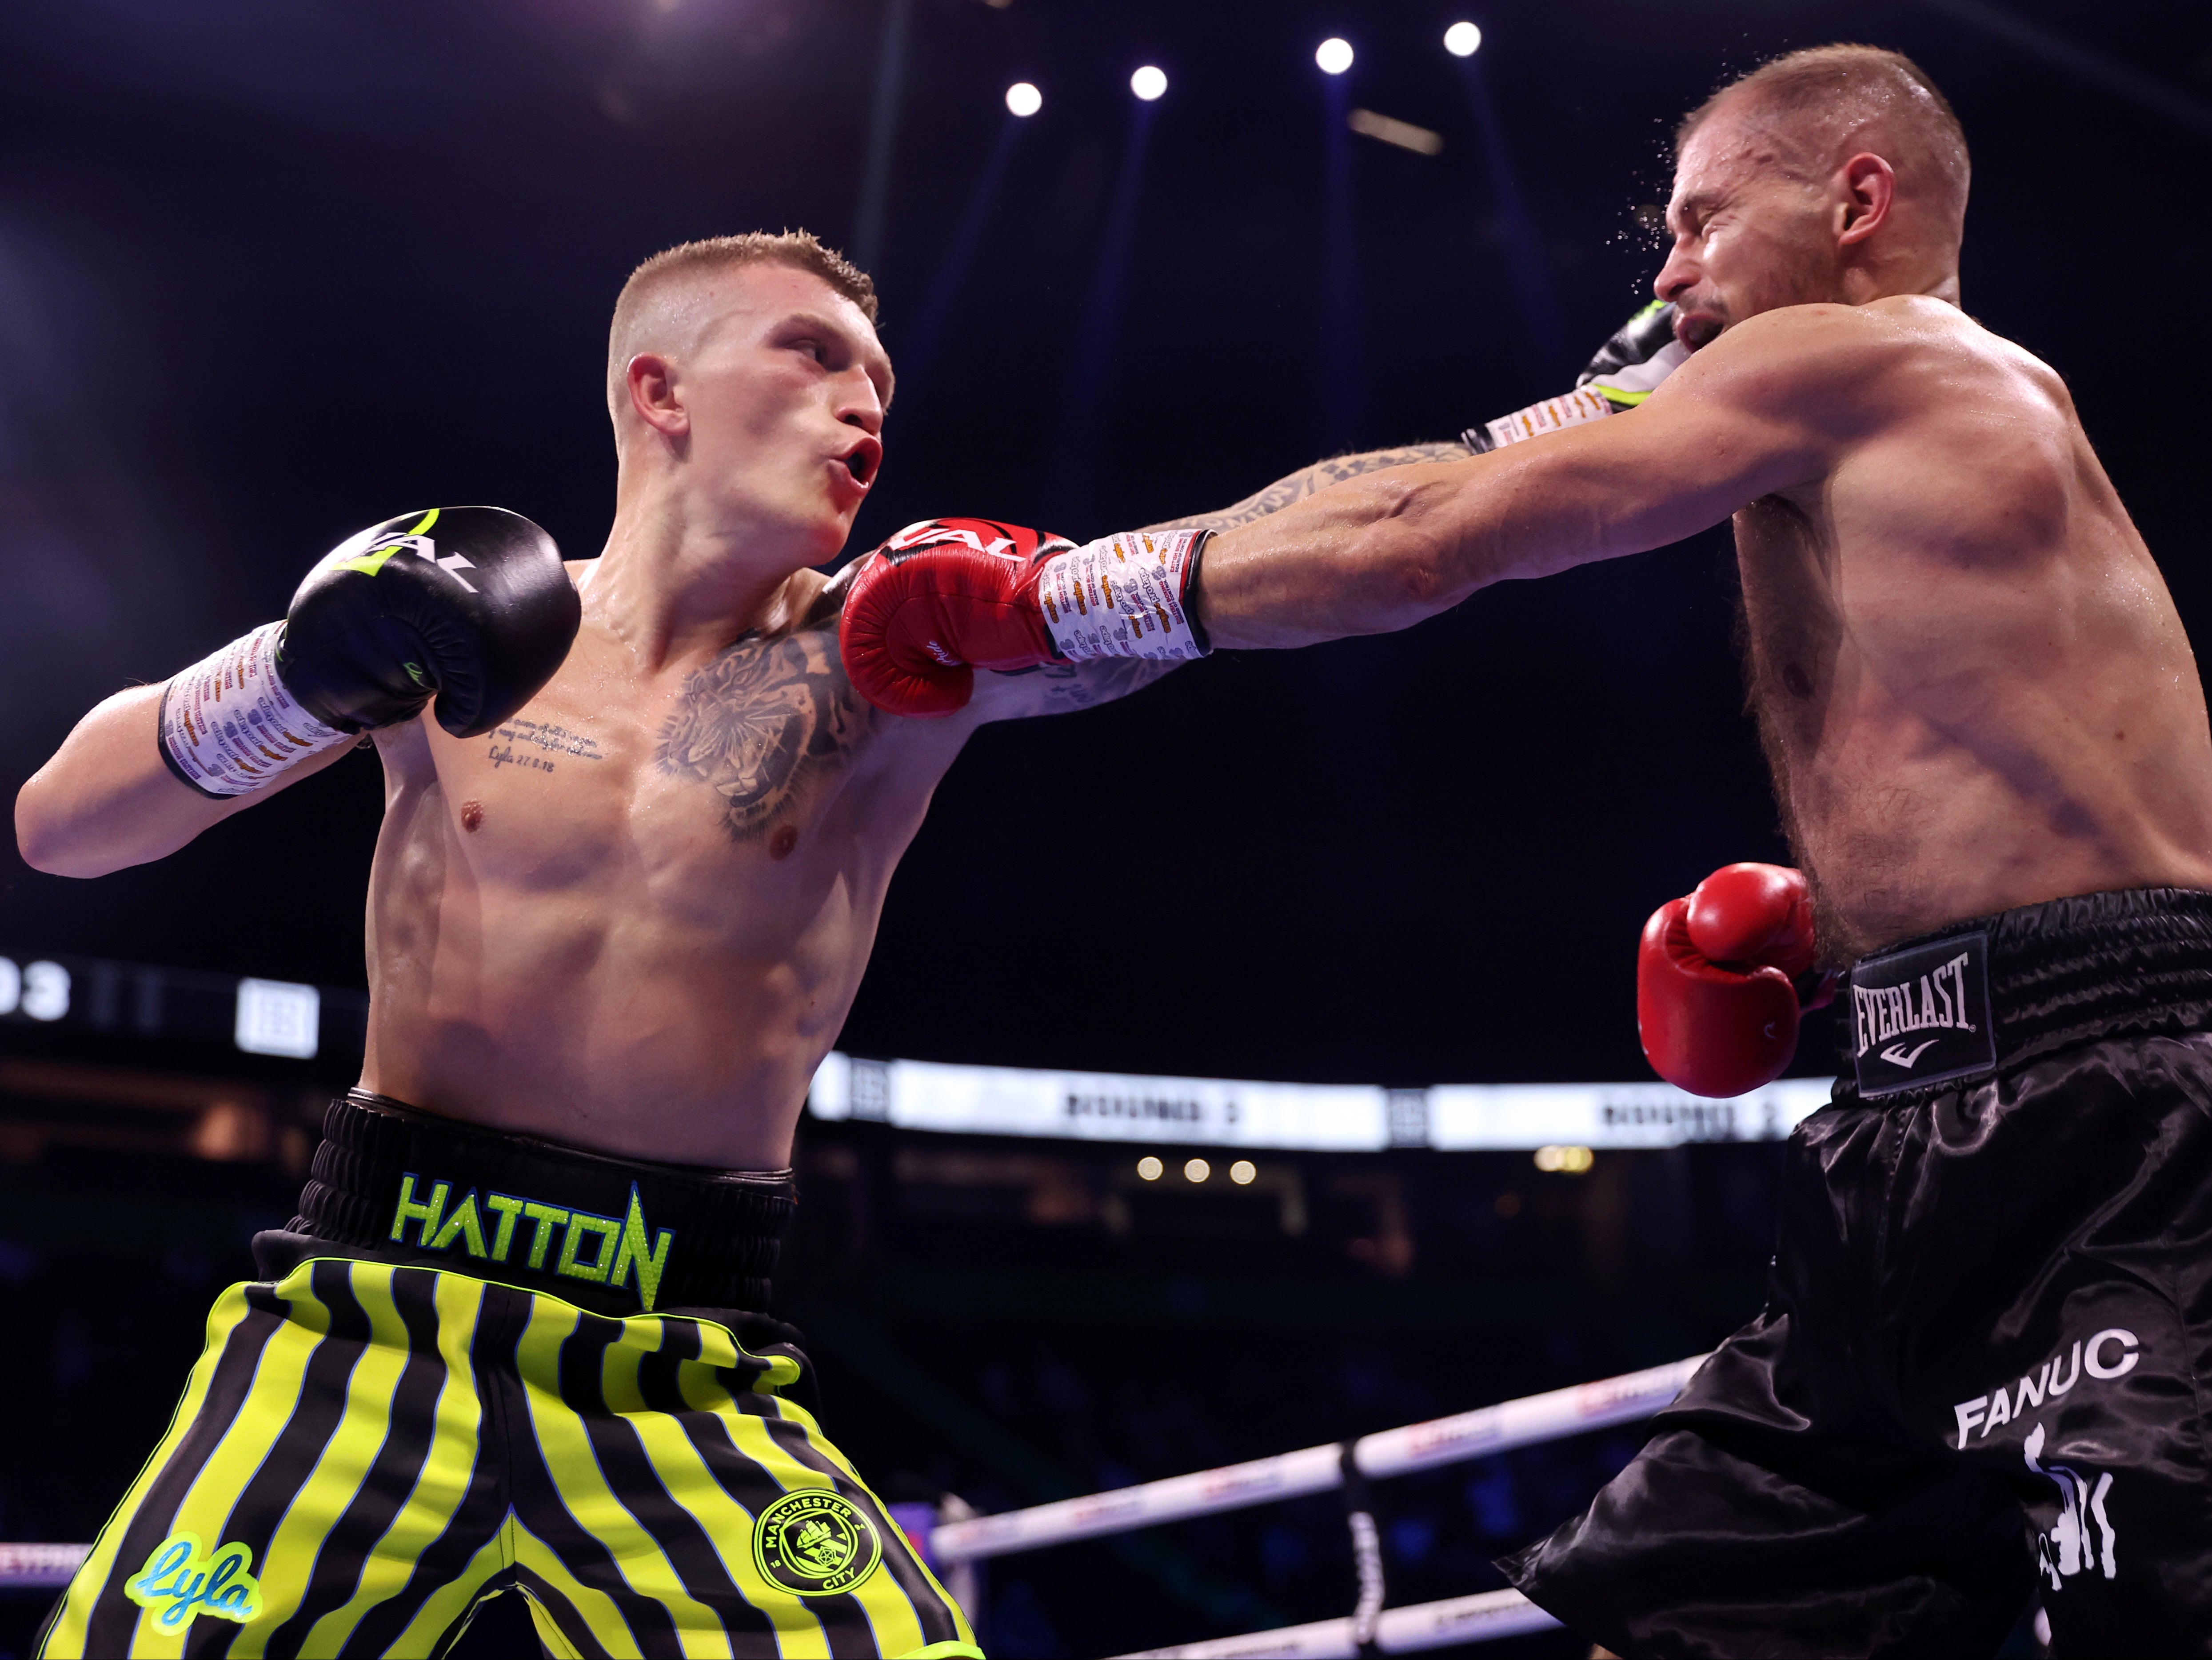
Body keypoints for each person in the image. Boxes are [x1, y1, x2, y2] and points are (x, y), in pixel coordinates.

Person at [835, 44, 2212, 1656]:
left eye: (1704, 220)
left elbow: (1429, 540)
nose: (1668, 266)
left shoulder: (1879, 358)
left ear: (1857, 200)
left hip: (2119, 1114)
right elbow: (1458, 471)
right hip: (1915, 1119)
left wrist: (1057, 600)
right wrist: (1857, 956)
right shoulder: (1840, 421)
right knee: (1672, 1615)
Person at [14, 231, 1177, 1659]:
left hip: (682, 1362)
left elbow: (1212, 599)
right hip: (359, 1329)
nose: (866, 401)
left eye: (881, 377)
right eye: (813, 353)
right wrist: (299, 671)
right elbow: (64, 826)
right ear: (660, 391)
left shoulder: (893, 666)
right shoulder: (462, 626)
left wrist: (1511, 474)